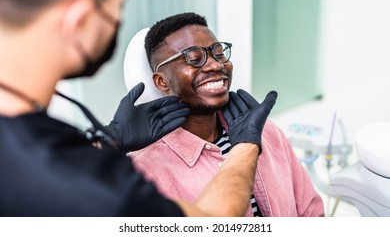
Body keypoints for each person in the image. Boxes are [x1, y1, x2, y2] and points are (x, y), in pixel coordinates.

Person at [0, 0, 277, 217]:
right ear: (80, 21)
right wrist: (245, 145)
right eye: (119, 4)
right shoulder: (104, 186)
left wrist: (108, 139)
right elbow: (212, 223)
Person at [129, 12, 325, 217]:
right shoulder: (144, 172)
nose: (215, 65)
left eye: (219, 53)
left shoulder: (265, 131)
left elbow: (312, 213)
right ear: (162, 82)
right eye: (194, 58)